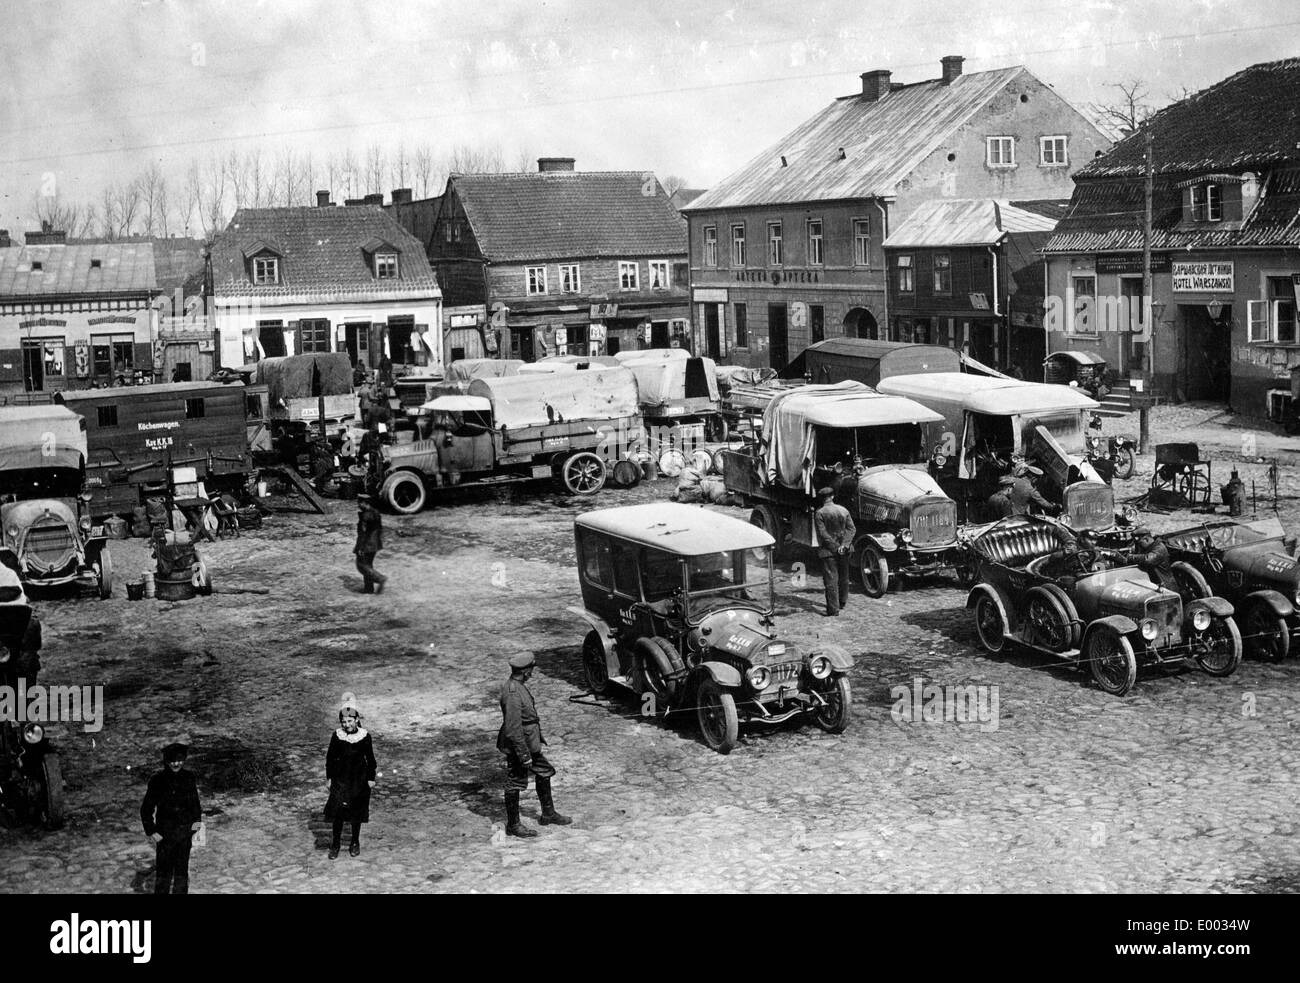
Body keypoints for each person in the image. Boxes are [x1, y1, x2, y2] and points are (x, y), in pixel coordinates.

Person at [497, 652, 570, 838]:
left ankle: (548, 813)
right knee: (515, 781)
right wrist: (524, 755)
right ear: (525, 671)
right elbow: (513, 729)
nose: (532, 673)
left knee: (544, 771)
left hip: (529, 743)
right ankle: (513, 825)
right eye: (531, 670)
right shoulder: (513, 692)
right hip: (518, 746)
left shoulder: (518, 686)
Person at [140, 742, 203, 894]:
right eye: (172, 761)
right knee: (163, 875)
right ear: (166, 761)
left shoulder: (189, 778)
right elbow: (146, 809)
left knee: (181, 874)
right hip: (165, 836)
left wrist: (195, 828)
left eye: (180, 760)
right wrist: (152, 832)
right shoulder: (157, 780)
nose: (176, 764)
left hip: (184, 835)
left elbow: (195, 806)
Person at [324, 693, 377, 859]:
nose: (347, 724)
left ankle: (355, 842)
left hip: (359, 780)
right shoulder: (337, 736)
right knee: (338, 813)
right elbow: (330, 758)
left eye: (350, 721)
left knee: (356, 813)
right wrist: (329, 777)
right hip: (341, 779)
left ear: (356, 720)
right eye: (344, 722)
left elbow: (371, 760)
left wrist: (370, 779)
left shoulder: (365, 736)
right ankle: (336, 844)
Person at [813, 486, 856, 616]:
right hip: (845, 550)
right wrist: (844, 545)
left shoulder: (820, 513)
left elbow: (823, 534)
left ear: (822, 499)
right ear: (832, 497)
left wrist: (835, 547)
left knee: (831, 579)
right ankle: (842, 602)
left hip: (829, 551)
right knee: (844, 577)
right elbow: (852, 529)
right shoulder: (843, 510)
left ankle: (833, 609)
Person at [354, 494, 387, 594]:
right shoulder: (376, 512)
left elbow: (362, 533)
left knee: (361, 565)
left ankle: (380, 578)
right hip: (375, 544)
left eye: (360, 503)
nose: (358, 505)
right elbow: (380, 529)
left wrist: (360, 547)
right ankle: (369, 589)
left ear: (365, 503)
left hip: (367, 545)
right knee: (368, 565)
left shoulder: (365, 515)